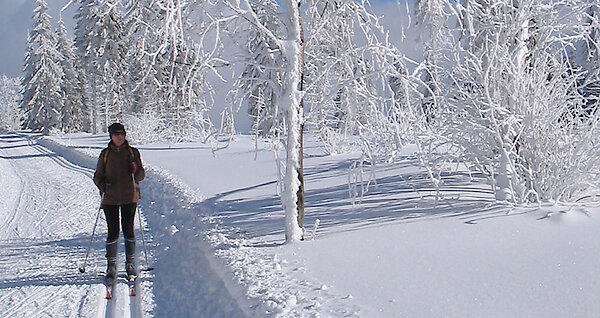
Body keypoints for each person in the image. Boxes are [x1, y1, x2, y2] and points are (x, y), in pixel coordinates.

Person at [93, 123, 145, 285]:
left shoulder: (132, 152)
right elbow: (97, 176)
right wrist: (102, 184)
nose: (119, 137)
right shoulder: (106, 154)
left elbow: (141, 175)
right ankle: (111, 266)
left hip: (130, 198)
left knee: (129, 230)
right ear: (111, 136)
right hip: (110, 199)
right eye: (116, 134)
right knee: (113, 231)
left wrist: (136, 170)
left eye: (121, 134)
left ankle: (130, 264)